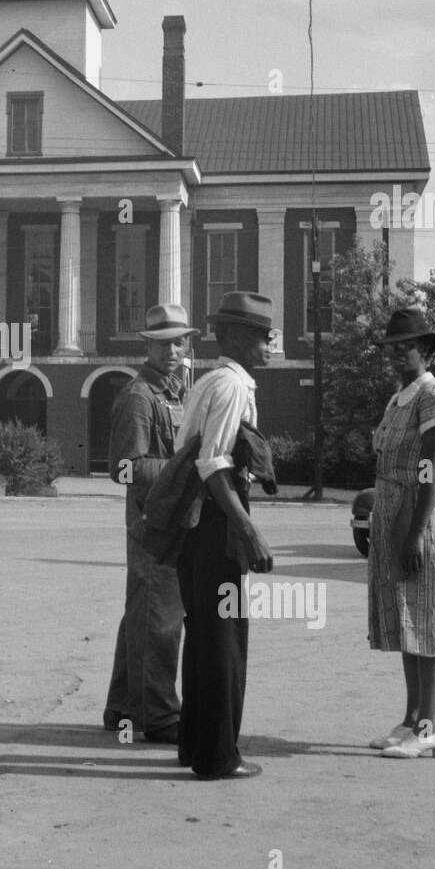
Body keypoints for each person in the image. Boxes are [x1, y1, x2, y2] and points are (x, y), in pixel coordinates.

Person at [174, 291, 275, 780]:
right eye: (260, 335)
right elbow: (213, 464)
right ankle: (218, 757)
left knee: (204, 636)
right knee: (223, 641)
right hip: (217, 521)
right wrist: (248, 530)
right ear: (234, 336)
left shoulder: (208, 382)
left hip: (198, 524)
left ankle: (196, 746)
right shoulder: (232, 386)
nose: (269, 343)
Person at [366, 308, 435, 759]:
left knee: (429, 619)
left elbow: (432, 466)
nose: (397, 354)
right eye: (391, 348)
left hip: (421, 514)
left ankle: (431, 726)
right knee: (408, 621)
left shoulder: (432, 395)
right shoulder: (398, 396)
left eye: (406, 346)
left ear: (425, 350)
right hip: (394, 512)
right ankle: (410, 721)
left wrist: (417, 533)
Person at [102, 303, 197, 742]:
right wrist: (188, 469)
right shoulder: (140, 396)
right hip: (150, 524)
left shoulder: (177, 393)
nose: (172, 350)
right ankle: (158, 717)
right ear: (148, 345)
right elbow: (124, 468)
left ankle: (122, 706)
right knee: (158, 620)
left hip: (172, 521)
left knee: (144, 613)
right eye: (163, 343)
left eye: (179, 341)